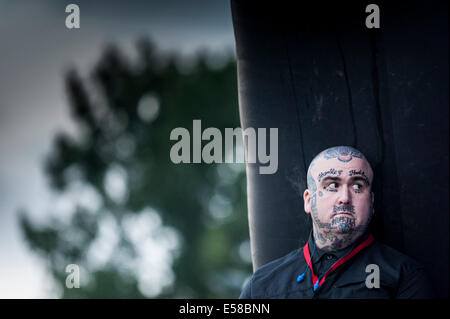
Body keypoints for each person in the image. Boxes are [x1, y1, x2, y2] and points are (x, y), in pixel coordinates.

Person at [239, 146, 434, 298]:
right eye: (332, 185)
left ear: (372, 202)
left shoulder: (404, 277)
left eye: (357, 186)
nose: (345, 198)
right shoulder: (263, 285)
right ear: (309, 200)